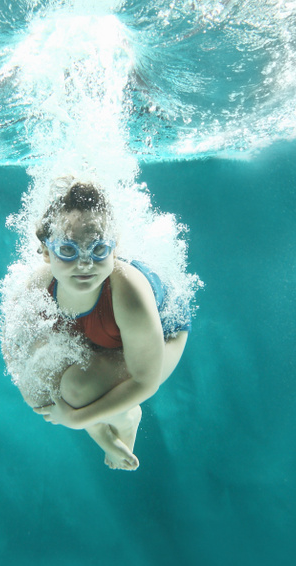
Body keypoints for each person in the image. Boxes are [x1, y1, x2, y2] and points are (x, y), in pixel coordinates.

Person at [22, 181, 190, 470]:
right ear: (47, 253)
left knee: (76, 389)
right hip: (102, 334)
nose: (85, 263)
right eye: (67, 249)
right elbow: (16, 349)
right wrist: (93, 426)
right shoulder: (39, 286)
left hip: (161, 337)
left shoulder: (129, 294)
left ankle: (125, 417)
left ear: (115, 248)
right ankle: (102, 425)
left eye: (98, 249)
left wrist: (77, 419)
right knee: (35, 386)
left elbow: (144, 381)